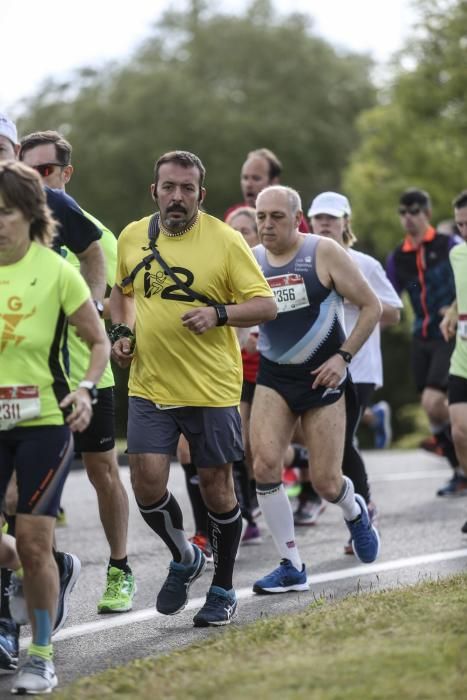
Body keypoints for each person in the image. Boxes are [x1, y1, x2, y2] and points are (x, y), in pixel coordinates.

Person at [109, 150, 276, 625]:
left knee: (219, 490)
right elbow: (121, 293)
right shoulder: (132, 236)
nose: (177, 196)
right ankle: (184, 554)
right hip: (149, 385)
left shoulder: (225, 242)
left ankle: (222, 589)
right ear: (154, 191)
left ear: (201, 195)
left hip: (211, 390)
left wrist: (219, 313)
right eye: (169, 187)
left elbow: (265, 305)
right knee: (145, 485)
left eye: (187, 189)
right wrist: (122, 335)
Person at [0, 117, 107, 673]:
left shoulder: (54, 265)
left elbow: (98, 341)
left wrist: (85, 388)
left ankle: (38, 652)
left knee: (30, 533)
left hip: (44, 415)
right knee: (23, 543)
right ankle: (42, 574)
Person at [19, 130, 135, 614]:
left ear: (67, 172)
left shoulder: (96, 236)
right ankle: (45, 567)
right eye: (29, 172)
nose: (38, 180)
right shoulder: (17, 229)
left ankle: (120, 567)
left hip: (87, 375)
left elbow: (113, 304)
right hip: (32, 377)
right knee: (20, 488)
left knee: (101, 472)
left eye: (46, 171)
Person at [249, 185, 381, 594]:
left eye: (277, 217)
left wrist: (342, 357)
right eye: (261, 217)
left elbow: (372, 306)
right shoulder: (252, 259)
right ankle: (291, 564)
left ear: (297, 218)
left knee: (326, 482)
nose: (267, 225)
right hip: (274, 376)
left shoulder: (322, 252)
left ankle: (354, 509)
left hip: (323, 377)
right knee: (265, 466)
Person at [308, 191, 402, 551]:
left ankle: (364, 510)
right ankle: (374, 422)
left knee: (341, 444)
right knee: (322, 445)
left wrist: (355, 298)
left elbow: (392, 312)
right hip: (317, 366)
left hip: (358, 367)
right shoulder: (306, 263)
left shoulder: (364, 264)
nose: (326, 225)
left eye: (332, 218)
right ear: (310, 222)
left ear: (346, 222)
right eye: (319, 219)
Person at [386, 188, 463, 496]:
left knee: (435, 401)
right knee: (432, 410)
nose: (409, 217)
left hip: (450, 334)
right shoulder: (397, 256)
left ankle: (460, 458)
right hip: (420, 336)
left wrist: (457, 308)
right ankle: (458, 469)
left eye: (415, 211)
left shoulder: (448, 244)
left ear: (427, 214)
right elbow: (387, 297)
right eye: (403, 212)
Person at [440, 190, 467, 530]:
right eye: (460, 225)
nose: (464, 231)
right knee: (460, 432)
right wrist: (451, 312)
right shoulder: (458, 254)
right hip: (462, 358)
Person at [225, 148, 310, 233]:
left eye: (256, 178)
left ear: (274, 182)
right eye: (245, 178)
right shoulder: (233, 215)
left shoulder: (292, 216)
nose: (248, 184)